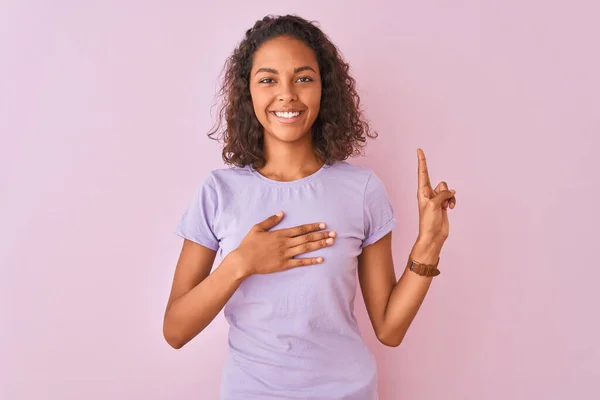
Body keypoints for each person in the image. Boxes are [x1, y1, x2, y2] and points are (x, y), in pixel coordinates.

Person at [163, 14, 457, 400]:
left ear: (324, 89)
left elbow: (389, 329)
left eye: (303, 78)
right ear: (247, 92)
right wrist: (241, 263)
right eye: (268, 79)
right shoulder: (220, 191)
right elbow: (175, 331)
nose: (287, 94)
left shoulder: (362, 189)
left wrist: (428, 245)